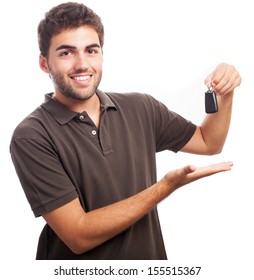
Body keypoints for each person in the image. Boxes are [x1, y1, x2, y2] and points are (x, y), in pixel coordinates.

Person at [10, 2, 241, 260]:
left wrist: (226, 93)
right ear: (44, 63)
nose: (82, 64)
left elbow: (209, 142)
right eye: (66, 53)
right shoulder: (32, 135)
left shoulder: (141, 107)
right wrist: (165, 186)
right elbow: (78, 236)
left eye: (91, 50)